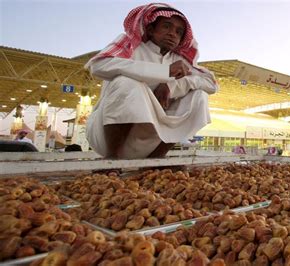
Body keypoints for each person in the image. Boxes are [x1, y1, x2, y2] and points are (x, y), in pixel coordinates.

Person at [85, 3, 218, 159]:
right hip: (106, 139)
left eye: (178, 31)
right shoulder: (132, 46)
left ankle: (156, 159)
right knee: (126, 83)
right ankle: (112, 160)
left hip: (151, 143)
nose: (172, 34)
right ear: (150, 29)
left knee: (199, 95)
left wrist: (171, 85)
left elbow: (211, 84)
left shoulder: (179, 60)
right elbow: (98, 65)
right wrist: (165, 72)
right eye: (166, 27)